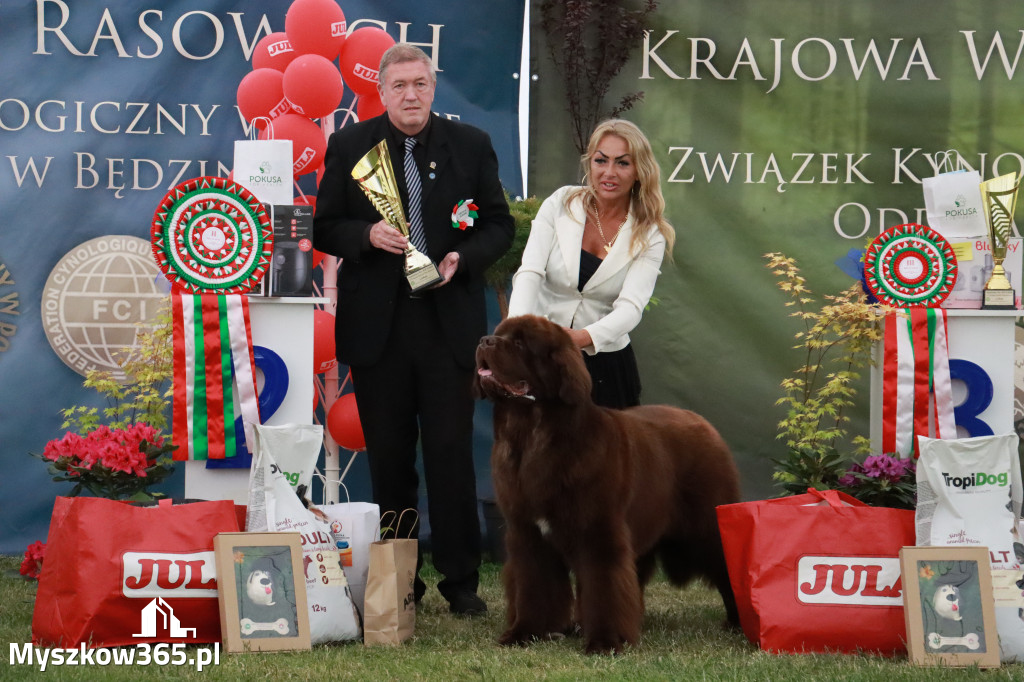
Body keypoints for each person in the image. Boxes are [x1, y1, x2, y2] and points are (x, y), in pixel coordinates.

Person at [313, 43, 514, 615]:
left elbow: (497, 225)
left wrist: (462, 259)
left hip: (447, 325)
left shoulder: (470, 145)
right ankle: (401, 580)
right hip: (380, 329)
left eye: (420, 84)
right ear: (381, 91)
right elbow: (326, 225)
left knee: (451, 454)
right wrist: (365, 237)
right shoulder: (350, 145)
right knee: (391, 460)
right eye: (399, 85)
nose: (411, 95)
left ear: (433, 87)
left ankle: (461, 582)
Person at [507, 119, 675, 409]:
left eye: (623, 163)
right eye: (601, 160)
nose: (609, 172)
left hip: (606, 366)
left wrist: (582, 339)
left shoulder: (651, 233)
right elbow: (530, 271)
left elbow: (631, 308)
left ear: (639, 172)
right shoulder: (560, 203)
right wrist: (517, 333)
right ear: (590, 164)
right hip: (539, 357)